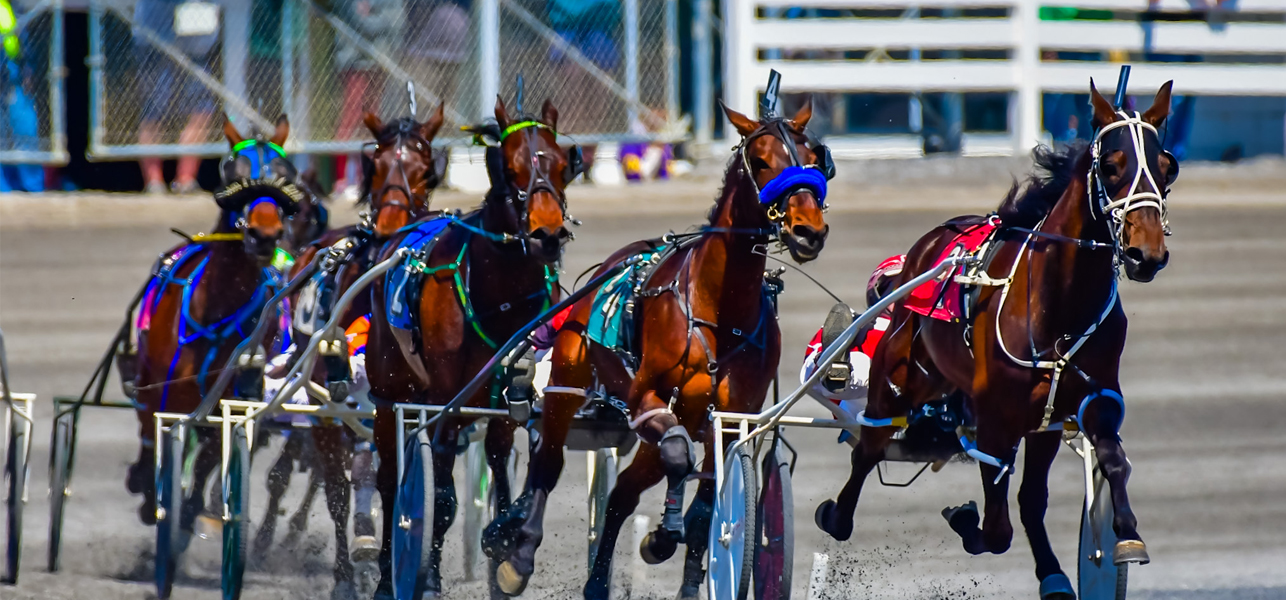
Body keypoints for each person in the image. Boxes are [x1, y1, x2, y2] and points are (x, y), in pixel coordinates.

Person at [799, 255, 904, 428]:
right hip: (866, 405)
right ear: (878, 293)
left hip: (930, 401)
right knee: (861, 363)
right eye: (899, 291)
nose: (906, 299)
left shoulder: (941, 330)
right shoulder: (857, 326)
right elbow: (807, 377)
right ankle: (836, 367)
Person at [133, 0, 221, 194]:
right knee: (154, 110)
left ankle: (185, 180)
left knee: (202, 110)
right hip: (154, 40)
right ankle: (153, 183)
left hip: (197, 45)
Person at [331, 0, 402, 200]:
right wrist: (381, 17)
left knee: (372, 121)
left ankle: (367, 178)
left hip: (379, 59)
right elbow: (361, 21)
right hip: (354, 60)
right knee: (350, 118)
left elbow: (397, 20)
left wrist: (375, 15)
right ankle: (341, 180)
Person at [0, 0, 44, 192]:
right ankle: (4, 187)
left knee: (24, 125)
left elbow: (21, 34)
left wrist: (27, 66)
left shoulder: (10, 4)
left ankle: (32, 187)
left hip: (13, 66)